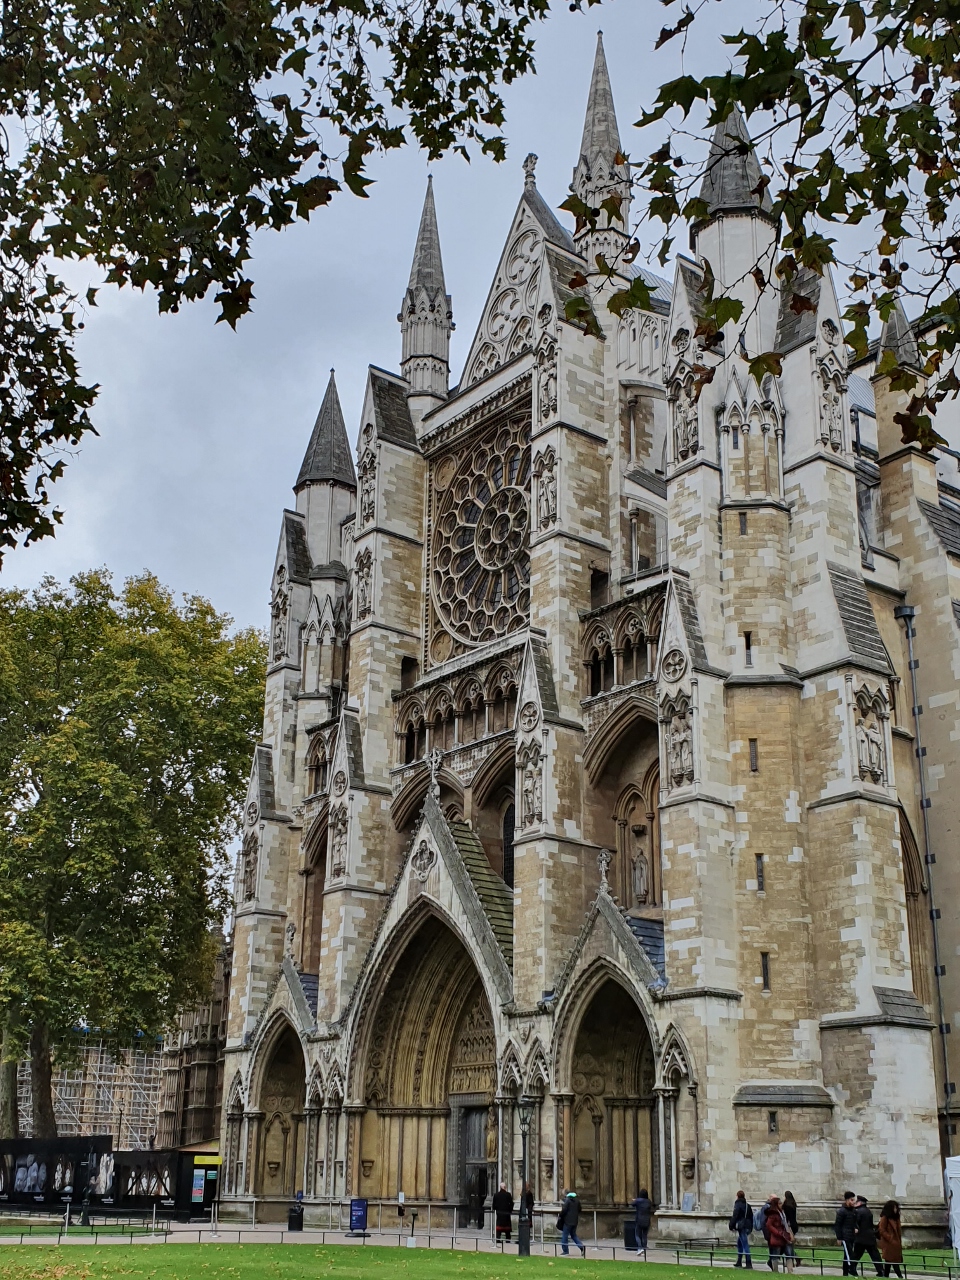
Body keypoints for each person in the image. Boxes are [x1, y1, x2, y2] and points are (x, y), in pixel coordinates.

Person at [853, 1197, 884, 1277]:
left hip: (860, 1237)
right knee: (875, 1255)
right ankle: (881, 1270)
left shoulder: (857, 1211)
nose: (855, 1203)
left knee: (856, 1255)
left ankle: (852, 1269)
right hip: (870, 1237)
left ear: (859, 1203)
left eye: (856, 1202)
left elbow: (856, 1224)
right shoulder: (868, 1211)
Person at [765, 1196, 794, 1273]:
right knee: (776, 1254)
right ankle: (775, 1270)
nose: (781, 1205)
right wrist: (777, 1232)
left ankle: (790, 1271)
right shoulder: (773, 1214)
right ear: (776, 1205)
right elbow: (768, 1225)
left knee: (789, 1253)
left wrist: (789, 1233)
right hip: (777, 1237)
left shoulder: (782, 1213)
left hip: (785, 1236)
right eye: (780, 1203)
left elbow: (786, 1223)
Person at [877, 1200, 903, 1278]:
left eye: (896, 1208)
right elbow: (882, 1230)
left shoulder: (896, 1218)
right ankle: (900, 1276)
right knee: (892, 1260)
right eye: (894, 1208)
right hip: (889, 1243)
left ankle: (886, 1275)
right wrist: (890, 1238)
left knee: (889, 1261)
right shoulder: (885, 1218)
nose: (896, 1209)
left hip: (895, 1242)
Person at [835, 1191, 859, 1276]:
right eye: (852, 1200)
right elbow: (837, 1225)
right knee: (850, 1254)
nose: (853, 1202)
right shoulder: (842, 1211)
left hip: (851, 1235)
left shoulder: (854, 1211)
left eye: (854, 1200)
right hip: (845, 1236)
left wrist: (856, 1228)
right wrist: (839, 1237)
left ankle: (845, 1273)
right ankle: (852, 1270)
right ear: (847, 1200)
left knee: (847, 1255)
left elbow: (855, 1222)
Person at [729, 1190, 753, 1268]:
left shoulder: (738, 1205)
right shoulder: (747, 1205)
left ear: (737, 1196)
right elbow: (751, 1217)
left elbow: (735, 1216)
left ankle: (748, 1263)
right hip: (748, 1226)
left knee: (745, 1245)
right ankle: (739, 1261)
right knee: (739, 1243)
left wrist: (731, 1225)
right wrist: (751, 1227)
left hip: (742, 1226)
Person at [558, 1189, 586, 1257]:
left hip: (567, 1221)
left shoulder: (567, 1200)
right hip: (575, 1221)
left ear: (565, 1194)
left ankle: (565, 1251)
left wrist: (560, 1215)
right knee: (573, 1235)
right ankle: (581, 1247)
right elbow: (580, 1209)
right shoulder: (577, 1200)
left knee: (565, 1236)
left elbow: (564, 1210)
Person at [633, 1187, 653, 1257]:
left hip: (639, 1220)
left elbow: (632, 1204)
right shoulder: (649, 1201)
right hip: (647, 1220)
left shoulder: (638, 1201)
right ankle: (644, 1248)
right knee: (644, 1235)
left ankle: (639, 1248)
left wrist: (635, 1200)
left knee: (637, 1235)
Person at [783, 1192, 799, 1266]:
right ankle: (794, 1258)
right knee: (790, 1244)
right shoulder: (793, 1204)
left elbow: (786, 1217)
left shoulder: (786, 1205)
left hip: (789, 1226)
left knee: (788, 1244)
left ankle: (791, 1260)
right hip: (794, 1225)